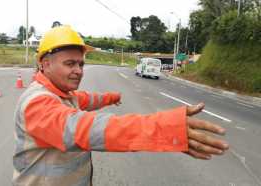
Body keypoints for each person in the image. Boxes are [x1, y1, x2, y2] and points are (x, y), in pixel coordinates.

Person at [12, 25, 229, 186]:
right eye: (70, 63)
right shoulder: (37, 103)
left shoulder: (65, 95)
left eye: (81, 64)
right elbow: (87, 128)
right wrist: (165, 129)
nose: (78, 70)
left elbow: (88, 99)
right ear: (45, 64)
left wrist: (112, 97)